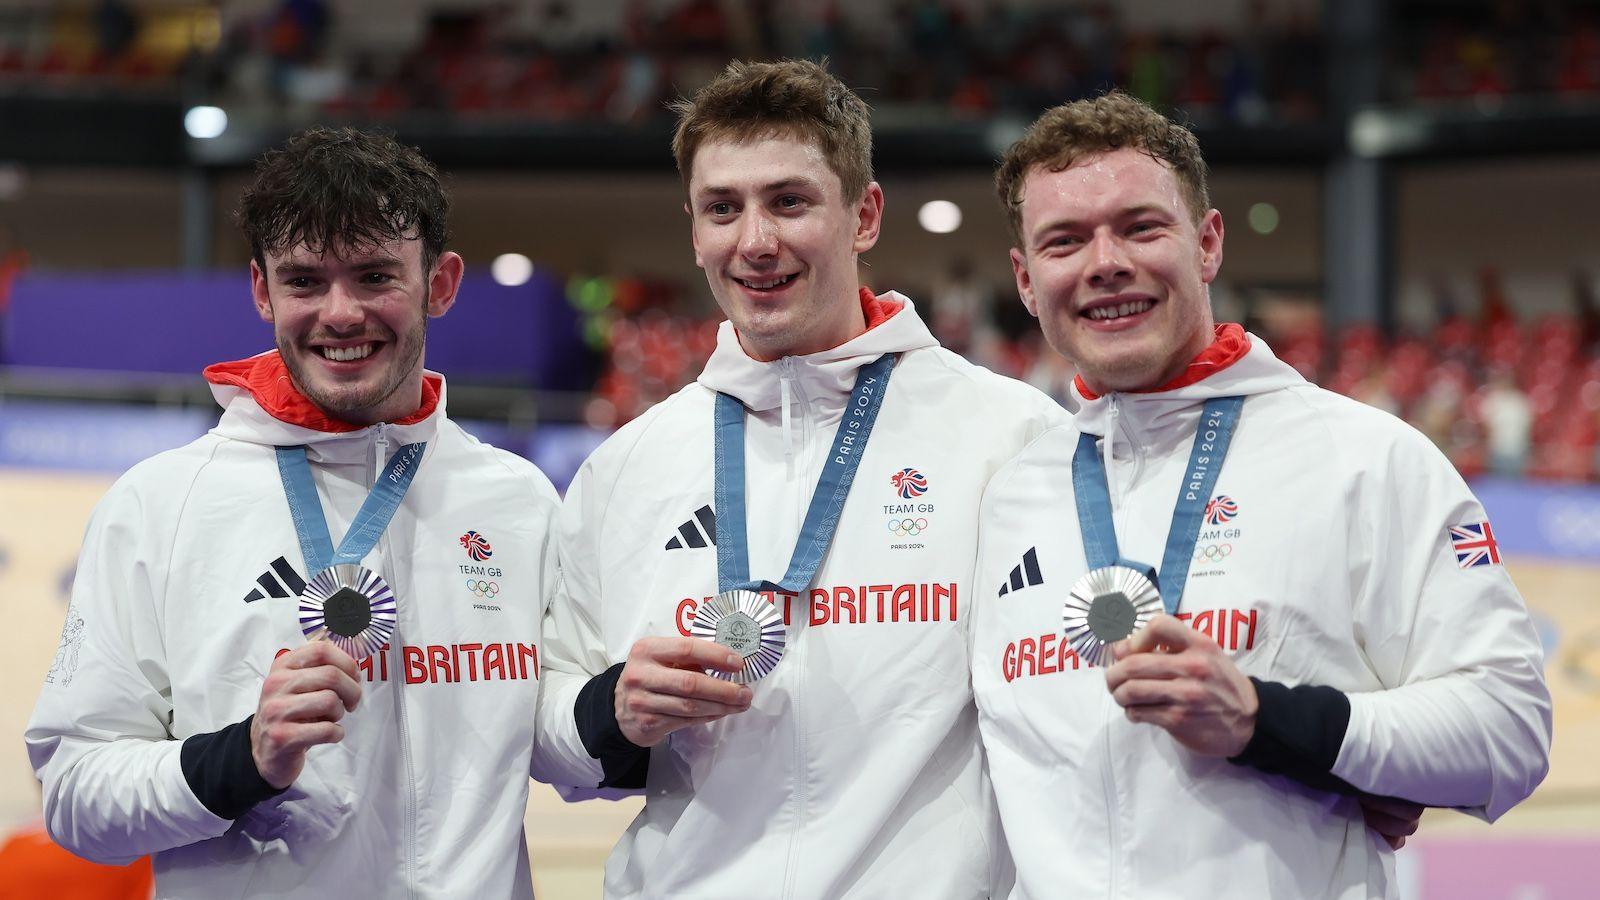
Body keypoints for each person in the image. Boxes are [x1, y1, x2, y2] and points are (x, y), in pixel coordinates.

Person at [972, 91, 1552, 898]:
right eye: (1065, 241)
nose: (1105, 261)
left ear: (1207, 243)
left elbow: (1509, 733)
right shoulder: (1007, 495)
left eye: (1140, 226)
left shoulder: (1367, 459)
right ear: (1026, 280)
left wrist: (1272, 721)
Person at [530, 59, 1064, 898]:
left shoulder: (1012, 437)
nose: (755, 242)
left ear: (865, 215)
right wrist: (613, 710)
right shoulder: (626, 467)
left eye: (789, 201)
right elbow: (550, 737)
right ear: (694, 228)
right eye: (723, 209)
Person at [26, 127, 561, 898]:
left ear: (440, 284)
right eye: (305, 281)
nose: (340, 314)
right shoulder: (160, 505)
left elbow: (566, 748)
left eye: (375, 276)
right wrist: (242, 760)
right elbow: (76, 799)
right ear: (261, 290)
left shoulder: (516, 501)